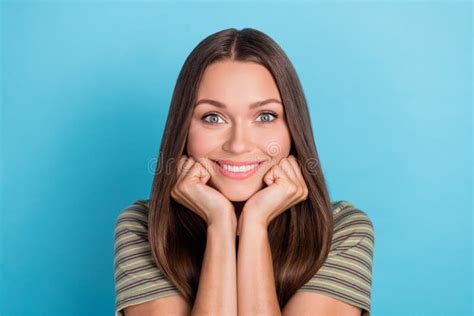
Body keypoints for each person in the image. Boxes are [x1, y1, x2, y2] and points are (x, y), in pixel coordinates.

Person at [114, 27, 375, 316]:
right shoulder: (142, 229)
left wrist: (254, 223)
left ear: (293, 129)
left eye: (265, 116)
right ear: (183, 129)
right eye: (213, 117)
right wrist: (220, 223)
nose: (238, 145)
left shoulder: (342, 231)